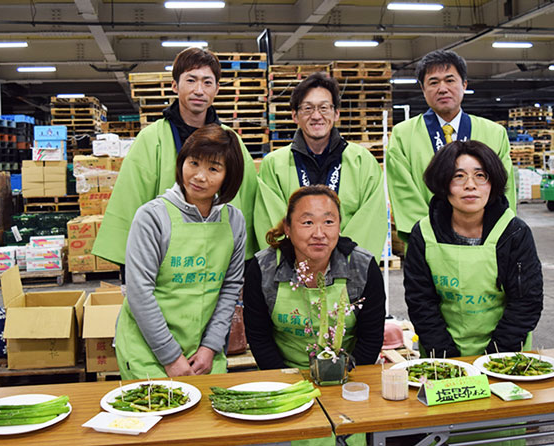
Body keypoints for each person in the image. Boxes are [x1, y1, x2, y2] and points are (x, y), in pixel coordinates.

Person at [93, 47, 258, 274]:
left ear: (217, 89)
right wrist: (128, 266)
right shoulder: (151, 139)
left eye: (207, 83)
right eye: (191, 80)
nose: (199, 90)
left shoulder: (232, 142)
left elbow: (247, 200)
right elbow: (131, 199)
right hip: (164, 259)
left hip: (218, 258)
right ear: (175, 85)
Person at [114, 124, 245, 379]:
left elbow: (230, 287)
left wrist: (210, 347)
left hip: (203, 355)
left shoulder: (234, 221)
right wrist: (170, 356)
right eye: (193, 163)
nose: (199, 176)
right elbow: (140, 291)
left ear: (228, 176)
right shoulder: (152, 217)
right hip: (149, 353)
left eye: (213, 169)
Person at [404, 140, 542, 360]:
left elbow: (526, 303)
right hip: (441, 355)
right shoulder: (424, 233)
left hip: (504, 354)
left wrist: (495, 357)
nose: (470, 185)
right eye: (458, 176)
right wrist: (447, 357)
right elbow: (421, 302)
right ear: (443, 183)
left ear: (492, 183)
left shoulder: (513, 232)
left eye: (480, 176)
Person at [244, 185, 385, 371]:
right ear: (288, 227)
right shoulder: (264, 267)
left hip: (347, 372)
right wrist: (286, 380)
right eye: (307, 223)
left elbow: (371, 337)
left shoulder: (362, 266)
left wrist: (340, 374)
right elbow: (258, 336)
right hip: (285, 373)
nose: (319, 234)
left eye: (328, 222)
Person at [387, 50, 516, 242]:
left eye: (450, 80)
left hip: (484, 240)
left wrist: (490, 234)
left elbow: (504, 188)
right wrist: (431, 236)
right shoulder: (403, 135)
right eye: (433, 82)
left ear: (464, 84)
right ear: (423, 89)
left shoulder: (494, 133)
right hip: (429, 241)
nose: (442, 88)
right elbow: (403, 193)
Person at [255, 72, 386, 260]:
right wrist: (300, 266)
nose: (316, 116)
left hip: (349, 276)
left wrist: (344, 264)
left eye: (324, 108)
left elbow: (372, 221)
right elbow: (270, 223)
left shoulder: (362, 161)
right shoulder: (274, 165)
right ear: (295, 116)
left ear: (336, 113)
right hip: (294, 275)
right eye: (307, 109)